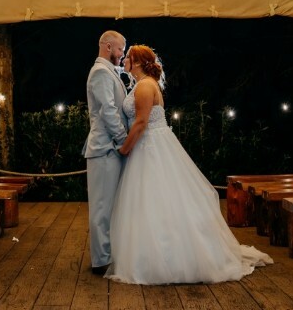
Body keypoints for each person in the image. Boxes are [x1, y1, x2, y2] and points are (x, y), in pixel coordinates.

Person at [106, 44, 273, 285]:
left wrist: (123, 149)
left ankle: (164, 259)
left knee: (153, 199)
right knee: (159, 200)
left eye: (128, 58)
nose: (124, 62)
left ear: (138, 62)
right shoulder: (145, 84)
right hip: (155, 144)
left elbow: (141, 123)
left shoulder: (144, 86)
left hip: (150, 146)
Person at [83, 30, 128, 274]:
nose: (123, 55)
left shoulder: (108, 71)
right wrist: (124, 141)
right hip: (105, 150)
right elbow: (107, 112)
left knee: (110, 206)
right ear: (108, 47)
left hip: (111, 150)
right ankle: (100, 262)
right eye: (121, 49)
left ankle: (109, 255)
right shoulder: (100, 72)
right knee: (101, 207)